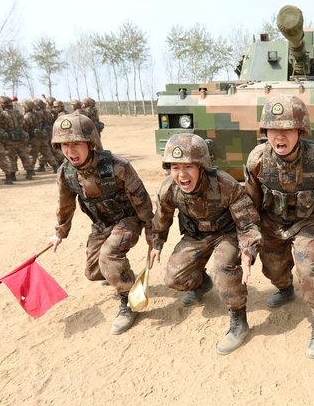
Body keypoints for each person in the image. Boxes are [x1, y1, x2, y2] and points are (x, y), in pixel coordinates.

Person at [244, 94, 314, 359]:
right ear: (265, 131)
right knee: (274, 270)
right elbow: (250, 205)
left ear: (300, 130)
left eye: (288, 129)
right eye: (273, 129)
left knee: (307, 269)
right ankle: (284, 289)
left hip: (307, 223)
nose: (280, 137)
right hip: (272, 224)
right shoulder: (257, 159)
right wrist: (248, 242)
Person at [150, 133, 261, 355]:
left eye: (189, 166)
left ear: (202, 166)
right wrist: (157, 242)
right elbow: (162, 218)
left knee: (222, 268)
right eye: (174, 167)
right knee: (173, 277)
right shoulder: (168, 189)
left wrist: (248, 250)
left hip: (226, 234)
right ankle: (201, 284)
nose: (181, 175)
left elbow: (248, 224)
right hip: (196, 236)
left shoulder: (225, 185)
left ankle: (239, 321)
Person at [47, 113, 154, 335]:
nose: (70, 151)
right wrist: (60, 233)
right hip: (101, 224)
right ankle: (117, 273)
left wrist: (151, 231)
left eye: (76, 144)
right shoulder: (66, 173)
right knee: (93, 272)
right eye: (65, 145)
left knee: (109, 256)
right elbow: (65, 204)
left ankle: (128, 303)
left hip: (127, 220)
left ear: (91, 143)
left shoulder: (118, 166)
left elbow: (141, 199)